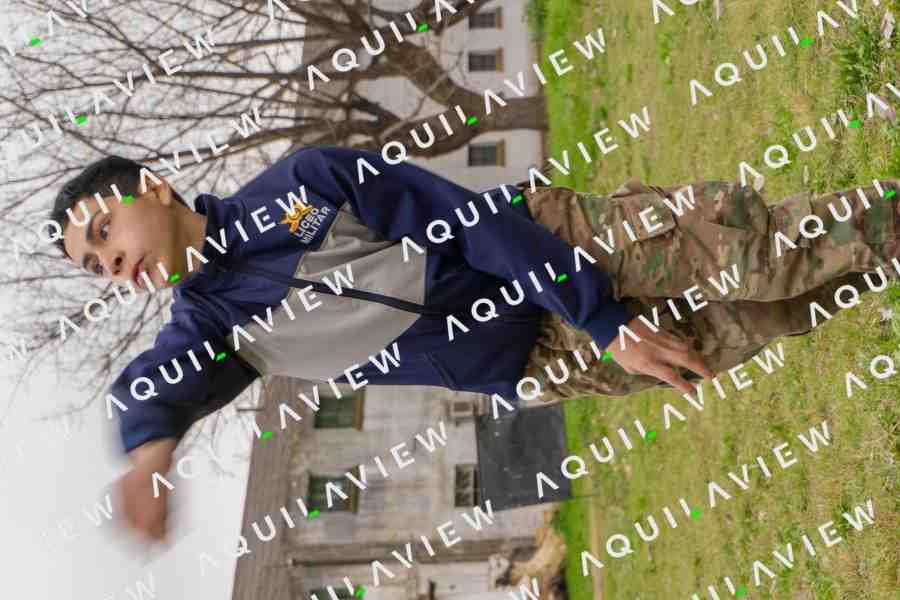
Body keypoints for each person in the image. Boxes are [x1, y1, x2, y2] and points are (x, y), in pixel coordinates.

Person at [48, 145, 899, 541]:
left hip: (550, 250)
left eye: (104, 230)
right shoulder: (213, 327)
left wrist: (604, 319)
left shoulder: (301, 186)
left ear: (153, 188)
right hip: (537, 359)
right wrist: (147, 458)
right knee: (763, 321)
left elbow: (460, 220)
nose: (110, 263)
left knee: (766, 259)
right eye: (94, 266)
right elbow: (158, 384)